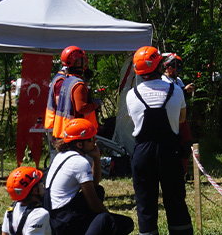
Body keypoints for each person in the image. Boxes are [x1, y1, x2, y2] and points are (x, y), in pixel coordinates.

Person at [126, 46, 193, 235]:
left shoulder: (132, 95)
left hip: (143, 154)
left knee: (145, 204)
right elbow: (180, 120)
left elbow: (134, 120)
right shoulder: (176, 90)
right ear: (158, 65)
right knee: (176, 202)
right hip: (169, 151)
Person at [46, 118, 134, 235]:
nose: (95, 142)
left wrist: (96, 159)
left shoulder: (61, 155)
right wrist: (109, 218)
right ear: (79, 144)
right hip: (64, 222)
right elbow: (93, 204)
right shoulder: (79, 162)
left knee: (99, 191)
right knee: (125, 224)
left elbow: (94, 185)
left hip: (54, 216)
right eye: (91, 139)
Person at [45, 46, 102, 175]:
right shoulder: (78, 84)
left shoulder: (65, 80)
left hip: (63, 129)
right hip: (76, 131)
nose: (85, 62)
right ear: (77, 62)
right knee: (79, 167)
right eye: (82, 60)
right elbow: (81, 108)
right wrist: (95, 104)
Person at [162, 53, 196, 174]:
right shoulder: (163, 80)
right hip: (169, 117)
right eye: (178, 68)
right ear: (169, 68)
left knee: (187, 144)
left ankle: (183, 170)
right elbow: (169, 97)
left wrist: (187, 91)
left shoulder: (178, 80)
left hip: (180, 116)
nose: (179, 72)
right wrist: (184, 91)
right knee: (171, 146)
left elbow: (181, 97)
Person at [2, 166, 51, 235]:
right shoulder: (40, 214)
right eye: (40, 182)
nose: (42, 185)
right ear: (35, 190)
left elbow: (5, 233)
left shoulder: (10, 212)